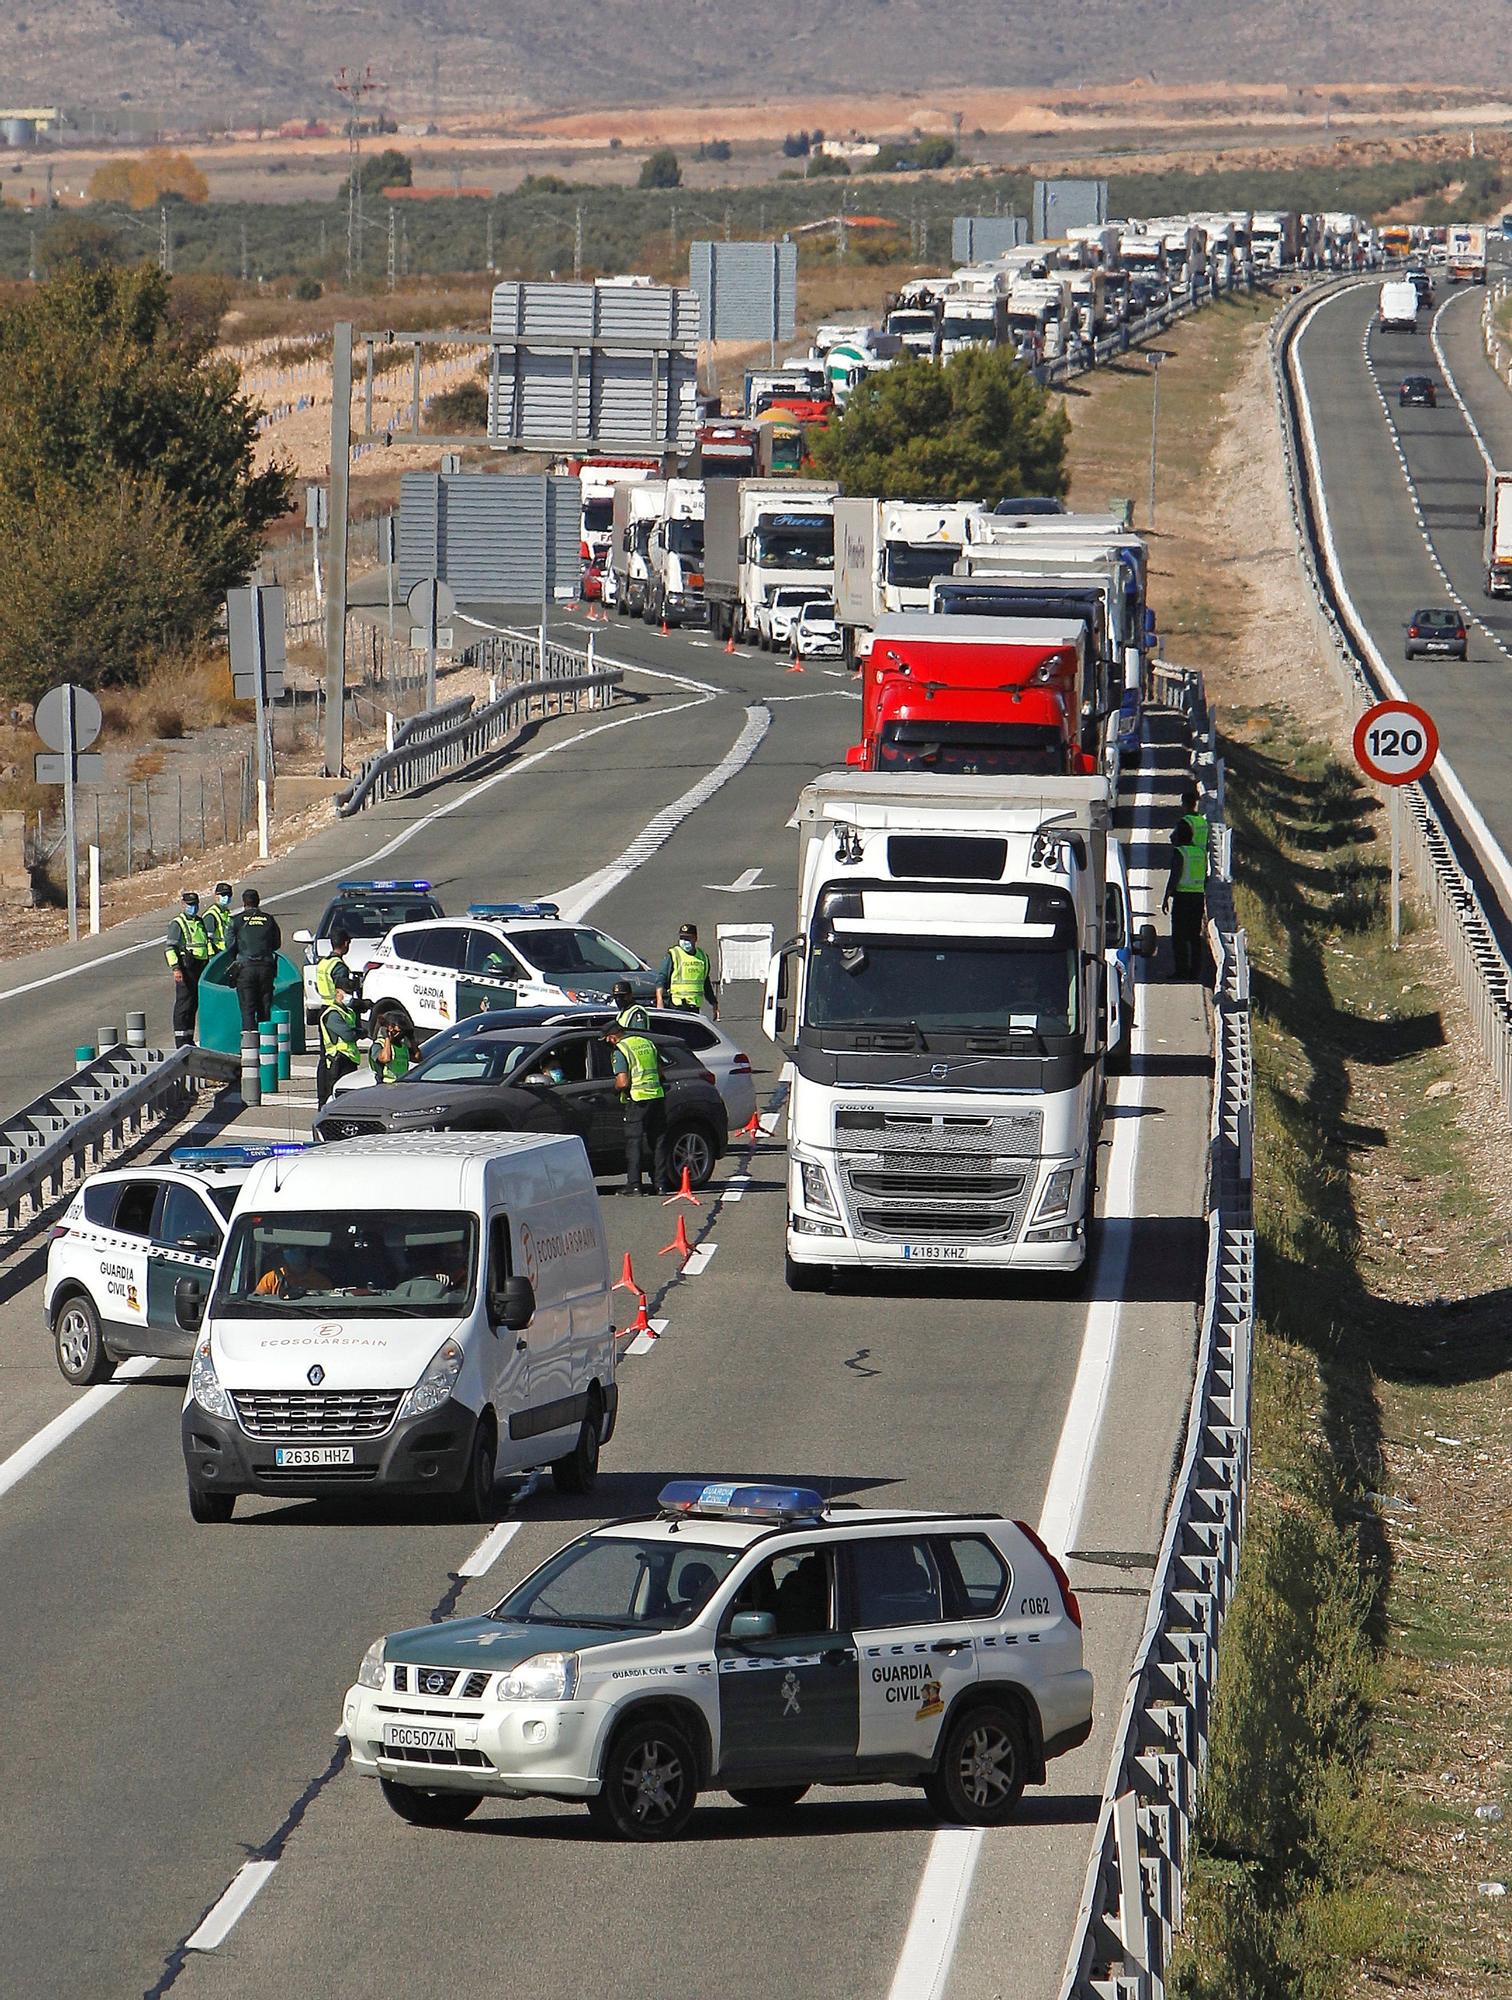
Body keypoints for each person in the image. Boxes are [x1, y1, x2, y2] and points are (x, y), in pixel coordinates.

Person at [606, 1022, 666, 1196]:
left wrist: (614, 1091)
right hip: (656, 1096)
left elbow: (623, 1082)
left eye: (608, 1039)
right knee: (658, 1141)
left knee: (634, 1143)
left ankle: (634, 1186)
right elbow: (661, 1073)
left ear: (612, 1037)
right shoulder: (646, 1042)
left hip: (637, 1100)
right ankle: (660, 1185)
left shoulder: (620, 1050)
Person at [1163, 783, 1210, 980]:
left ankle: (1182, 970)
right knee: (1194, 936)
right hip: (1198, 896)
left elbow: (1175, 875)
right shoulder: (1201, 846)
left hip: (1182, 896)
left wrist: (1166, 896)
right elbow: (1205, 875)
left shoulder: (1180, 851)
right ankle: (1195, 971)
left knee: (1179, 937)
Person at [225, 888, 282, 1035]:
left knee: (248, 1009)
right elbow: (276, 944)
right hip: (266, 968)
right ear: (258, 901)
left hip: (245, 969)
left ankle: (250, 1048)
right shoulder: (269, 919)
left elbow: (229, 945)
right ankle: (266, 1046)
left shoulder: (236, 920)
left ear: (244, 903)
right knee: (264, 1007)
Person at [165, 889, 211, 1048]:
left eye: (195, 905)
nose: (193, 907)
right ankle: (180, 1040)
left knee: (193, 1004)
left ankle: (189, 1038)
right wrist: (176, 968)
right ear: (183, 904)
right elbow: (170, 948)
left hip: (201, 966)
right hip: (186, 967)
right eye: (190, 905)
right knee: (184, 1004)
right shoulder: (178, 923)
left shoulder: (199, 921)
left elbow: (206, 944)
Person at [655, 921, 718, 1020]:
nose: (684, 941)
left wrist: (714, 1003)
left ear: (695, 938)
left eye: (688, 938)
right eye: (682, 938)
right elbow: (661, 979)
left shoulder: (702, 957)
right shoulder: (674, 954)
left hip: (694, 1007)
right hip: (677, 1006)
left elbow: (705, 983)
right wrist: (660, 1001)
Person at [317, 991, 361, 1105]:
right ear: (337, 992)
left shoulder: (348, 1012)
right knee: (334, 1097)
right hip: (337, 1059)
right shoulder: (333, 1014)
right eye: (345, 993)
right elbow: (349, 1035)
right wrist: (359, 1033)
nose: (348, 995)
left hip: (350, 1057)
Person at [315, 926, 360, 1014]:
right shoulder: (339, 966)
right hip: (337, 1009)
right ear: (346, 943)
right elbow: (342, 992)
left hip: (324, 1008)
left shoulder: (323, 963)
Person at [369, 1018, 419, 1084]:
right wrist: (387, 1037)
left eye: (402, 1032)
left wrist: (411, 1039)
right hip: (386, 1084)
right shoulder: (379, 1044)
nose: (400, 1035)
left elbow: (417, 1058)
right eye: (396, 1032)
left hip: (401, 1083)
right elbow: (385, 1058)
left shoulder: (403, 1046)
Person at [202, 882, 235, 957]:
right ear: (216, 896)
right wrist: (212, 957)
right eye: (223, 895)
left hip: (228, 952)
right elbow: (207, 940)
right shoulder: (211, 915)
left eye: (229, 895)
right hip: (218, 954)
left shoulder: (227, 913)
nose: (226, 897)